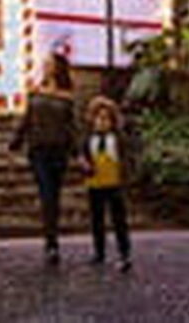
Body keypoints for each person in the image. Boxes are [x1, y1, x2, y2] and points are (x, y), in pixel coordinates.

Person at [9, 51, 78, 265]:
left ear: (58, 67)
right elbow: (28, 118)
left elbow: (71, 127)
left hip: (58, 149)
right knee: (46, 193)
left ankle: (52, 238)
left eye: (49, 64)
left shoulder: (67, 95)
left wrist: (78, 152)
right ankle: (51, 243)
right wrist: (17, 140)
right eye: (45, 63)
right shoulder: (36, 91)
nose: (46, 67)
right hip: (38, 149)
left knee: (54, 196)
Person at [81, 95, 132, 272]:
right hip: (95, 183)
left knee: (119, 219)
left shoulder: (118, 139)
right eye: (98, 118)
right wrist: (85, 165)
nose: (102, 122)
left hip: (114, 183)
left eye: (106, 119)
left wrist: (125, 178)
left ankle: (124, 252)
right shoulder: (89, 140)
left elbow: (125, 159)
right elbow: (84, 157)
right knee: (97, 219)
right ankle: (99, 251)